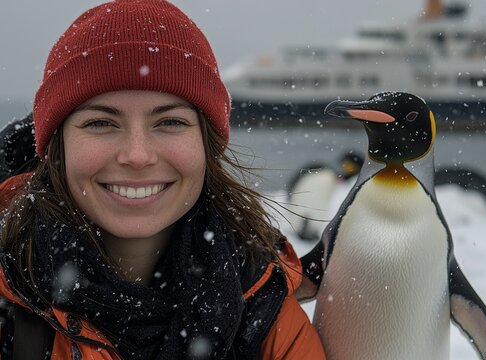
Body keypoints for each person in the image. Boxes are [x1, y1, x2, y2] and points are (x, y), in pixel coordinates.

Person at [0, 1, 326, 359]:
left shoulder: (264, 314)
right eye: (100, 122)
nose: (138, 155)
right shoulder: (10, 313)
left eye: (170, 122)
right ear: (57, 148)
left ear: (207, 145)